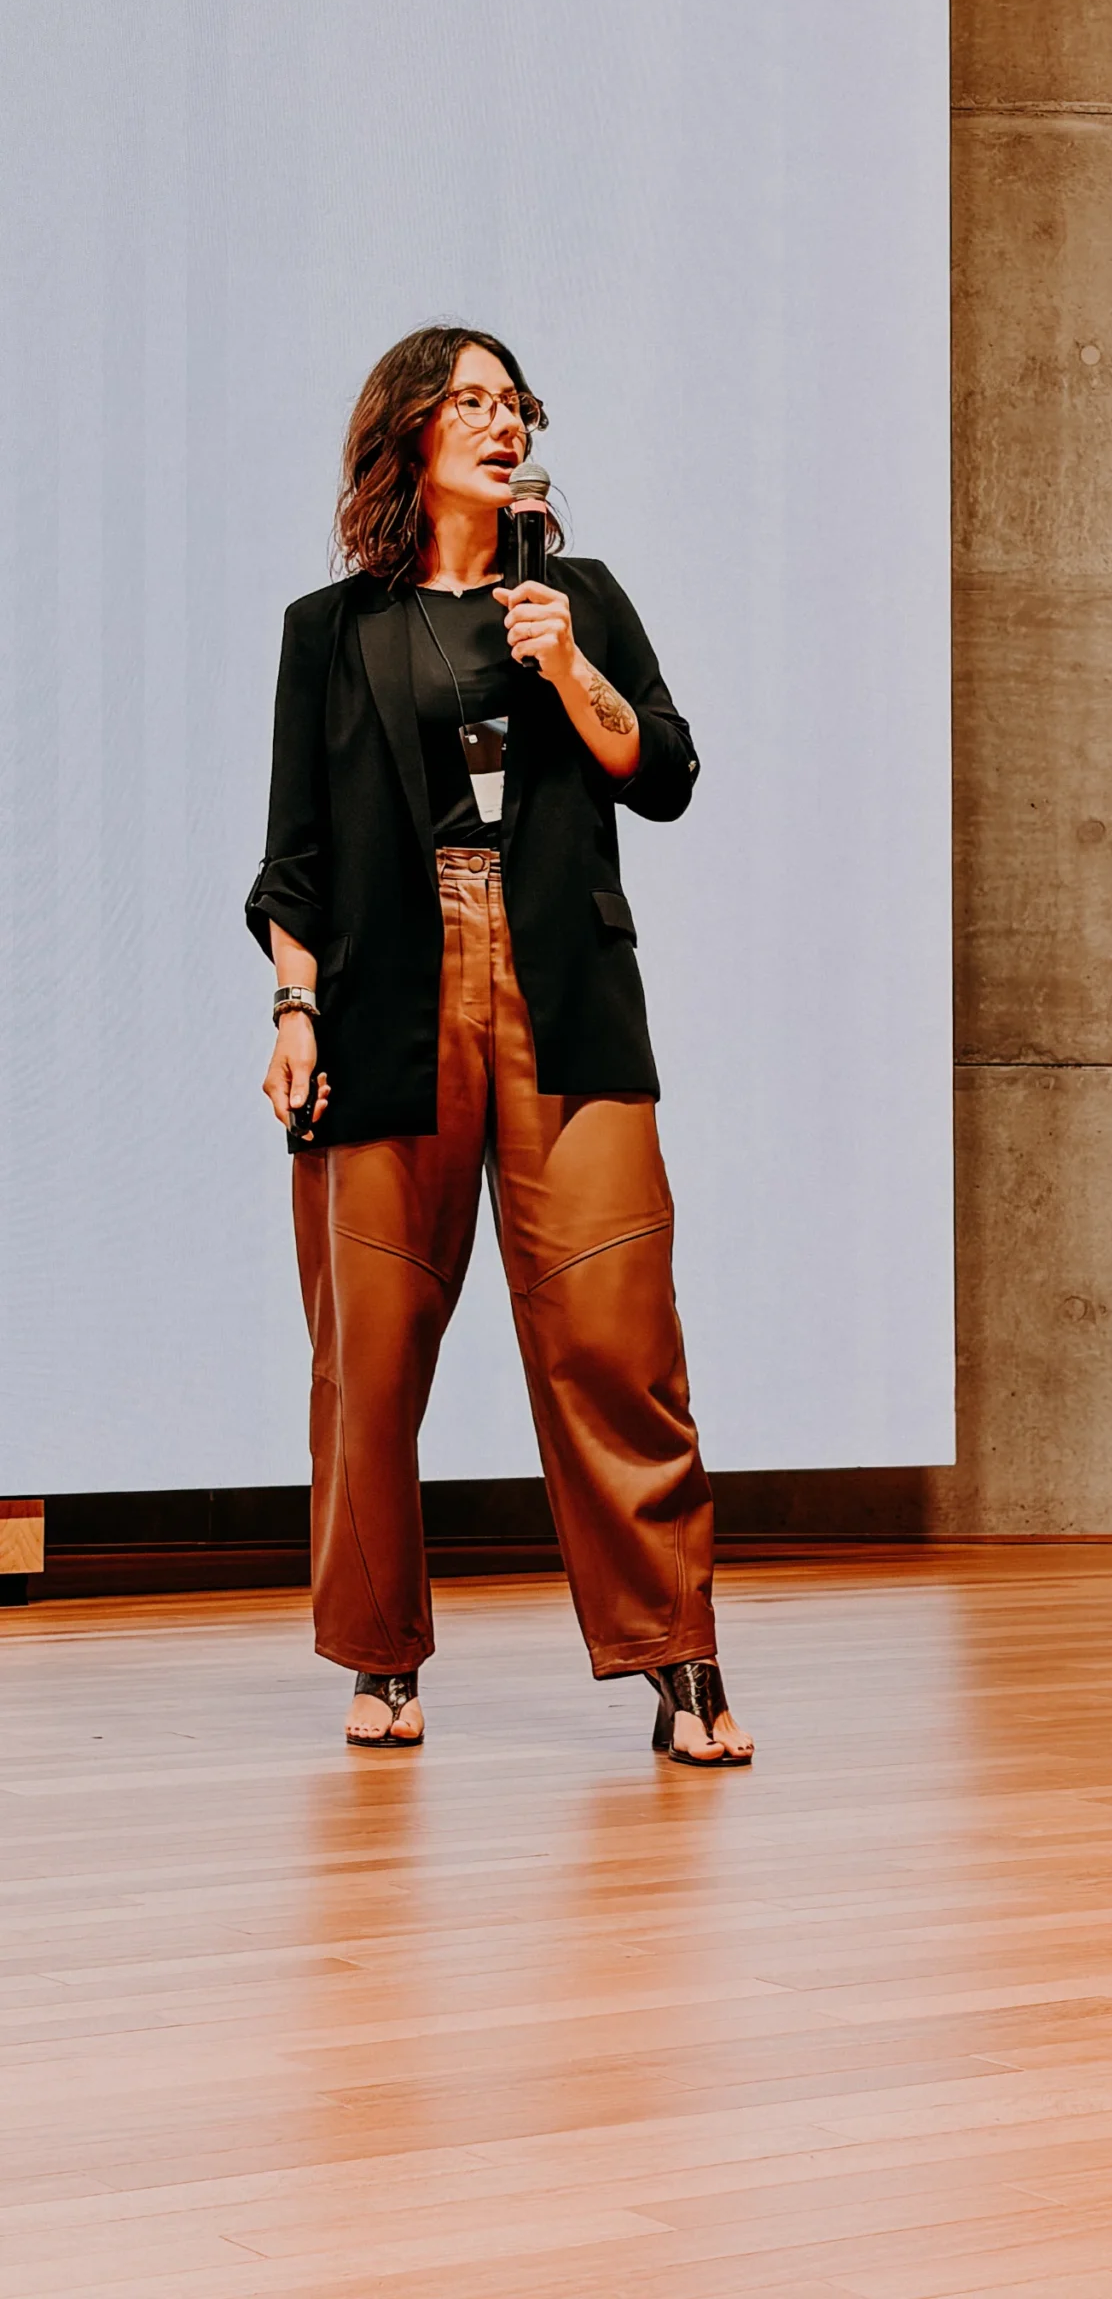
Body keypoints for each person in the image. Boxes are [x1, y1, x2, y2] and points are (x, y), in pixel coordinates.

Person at [246, 325, 752, 1766]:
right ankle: (379, 1654)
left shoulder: (577, 600)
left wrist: (570, 665)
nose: (501, 421)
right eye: (468, 400)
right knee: (369, 1354)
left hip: (563, 989)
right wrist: (294, 1012)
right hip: (384, 996)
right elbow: (294, 859)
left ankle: (680, 1660)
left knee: (617, 1335)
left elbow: (664, 771)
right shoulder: (329, 631)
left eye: (513, 402)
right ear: (408, 431)